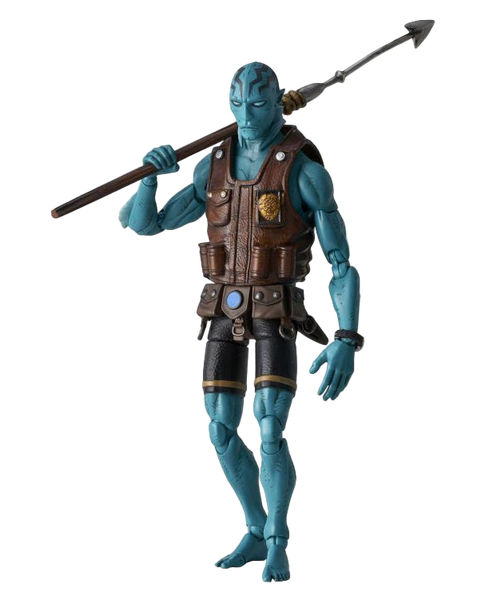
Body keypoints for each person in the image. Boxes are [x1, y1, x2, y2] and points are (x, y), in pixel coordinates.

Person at [116, 58, 365, 586]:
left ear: (279, 101)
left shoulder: (305, 169)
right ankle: (253, 528)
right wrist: (151, 178)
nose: (246, 114)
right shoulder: (212, 166)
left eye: (257, 102)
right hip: (219, 307)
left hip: (278, 310)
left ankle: (279, 541)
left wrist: (346, 337)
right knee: (219, 429)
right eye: (236, 102)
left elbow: (342, 264)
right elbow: (146, 226)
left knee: (269, 427)